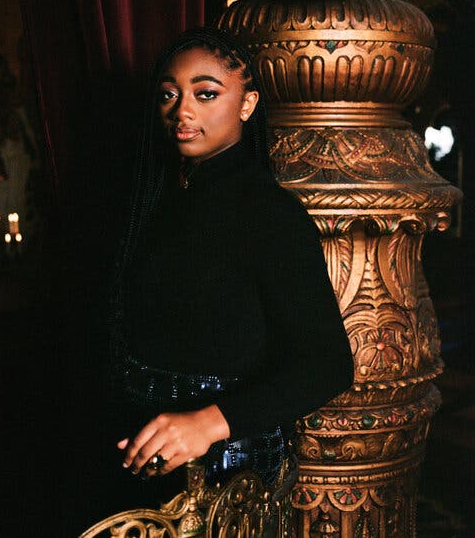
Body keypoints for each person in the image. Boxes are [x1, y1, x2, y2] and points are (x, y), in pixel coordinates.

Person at [70, 26, 354, 532]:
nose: (183, 110)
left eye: (205, 94)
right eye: (169, 95)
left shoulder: (272, 215)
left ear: (247, 105)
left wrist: (207, 424)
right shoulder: (150, 204)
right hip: (139, 459)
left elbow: (327, 365)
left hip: (227, 473)